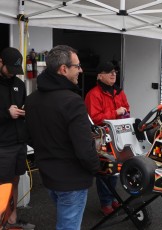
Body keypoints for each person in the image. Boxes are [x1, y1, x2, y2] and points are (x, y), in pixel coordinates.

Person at [25, 45, 100, 230]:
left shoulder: (32, 99)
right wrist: (96, 167)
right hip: (72, 179)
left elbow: (29, 136)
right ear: (64, 69)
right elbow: (83, 148)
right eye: (78, 66)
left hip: (49, 175)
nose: (81, 70)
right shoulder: (72, 101)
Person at [85, 61, 130, 216]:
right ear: (100, 75)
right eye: (109, 72)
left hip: (118, 137)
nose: (113, 74)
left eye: (115, 72)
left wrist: (124, 114)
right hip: (101, 138)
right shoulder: (93, 94)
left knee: (115, 170)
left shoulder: (119, 92)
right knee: (104, 171)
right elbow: (94, 118)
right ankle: (105, 203)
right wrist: (116, 112)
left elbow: (127, 109)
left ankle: (112, 198)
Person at [0, 47, 35, 229]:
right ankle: (2, 221)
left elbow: (23, 106)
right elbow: (8, 113)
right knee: (2, 185)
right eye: (10, 69)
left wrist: (24, 112)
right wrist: (7, 113)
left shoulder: (19, 84)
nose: (13, 73)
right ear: (0, 63)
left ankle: (12, 218)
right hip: (3, 145)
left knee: (15, 180)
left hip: (19, 142)